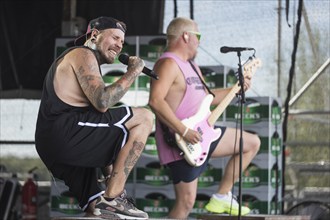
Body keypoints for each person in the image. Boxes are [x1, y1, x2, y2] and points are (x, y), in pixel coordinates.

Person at [35, 16, 153, 219]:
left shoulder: (83, 64)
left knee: (96, 210)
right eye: (115, 37)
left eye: (122, 42)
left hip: (58, 142)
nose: (119, 45)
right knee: (144, 117)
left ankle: (108, 201)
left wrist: (109, 175)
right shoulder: (82, 53)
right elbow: (103, 101)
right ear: (95, 35)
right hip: (66, 132)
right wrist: (134, 72)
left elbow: (99, 127)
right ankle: (115, 197)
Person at [148, 17, 260, 218]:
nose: (200, 41)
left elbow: (207, 98)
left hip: (202, 134)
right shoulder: (167, 63)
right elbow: (155, 101)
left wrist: (237, 88)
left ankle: (222, 195)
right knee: (186, 203)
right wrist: (183, 130)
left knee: (251, 143)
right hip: (180, 141)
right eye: (198, 36)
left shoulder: (192, 66)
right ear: (185, 36)